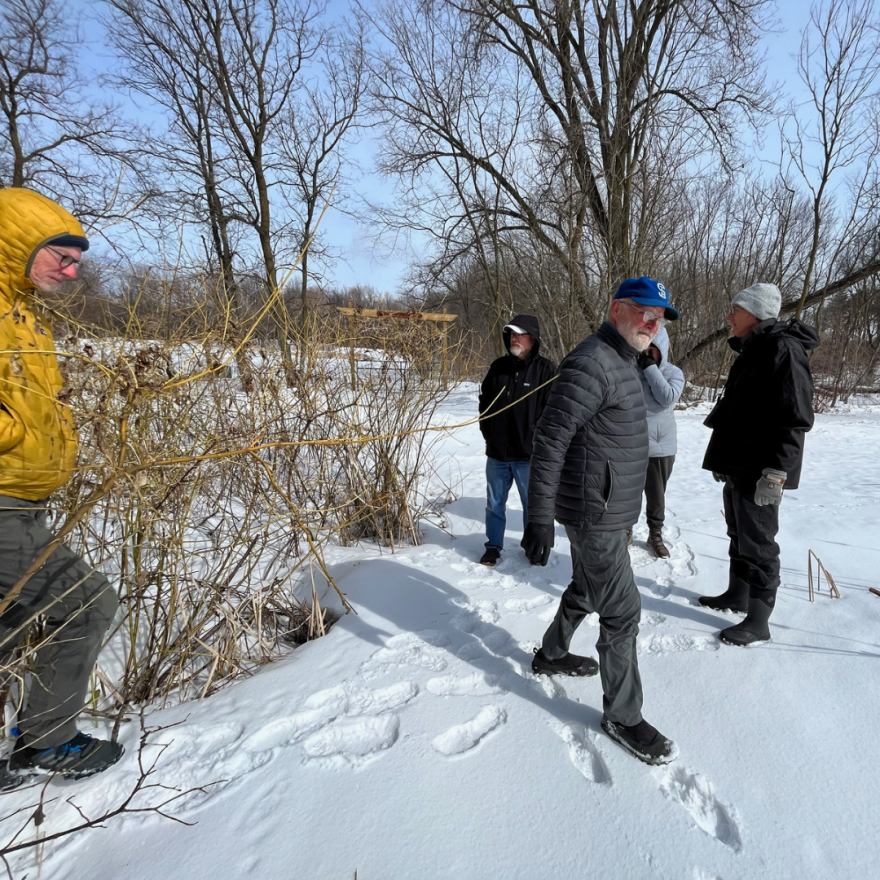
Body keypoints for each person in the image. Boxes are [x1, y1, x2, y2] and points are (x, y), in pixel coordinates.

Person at [522, 277, 679, 765]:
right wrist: (539, 518)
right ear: (616, 310)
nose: (652, 324)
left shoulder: (627, 360)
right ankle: (623, 716)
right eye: (643, 313)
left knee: (589, 588)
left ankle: (551, 653)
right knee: (623, 611)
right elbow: (550, 440)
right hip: (595, 514)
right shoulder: (591, 362)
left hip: (611, 509)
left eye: (659, 318)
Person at [0, 187, 123, 783]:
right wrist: (17, 432)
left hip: (23, 499)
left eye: (77, 259)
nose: (72, 271)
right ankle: (47, 742)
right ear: (18, 245)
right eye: (62, 256)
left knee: (9, 619)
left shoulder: (19, 310)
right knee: (89, 602)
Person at [699, 283, 818, 646]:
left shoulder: (783, 349)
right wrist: (724, 458)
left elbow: (795, 417)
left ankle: (758, 621)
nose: (729, 316)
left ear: (755, 313)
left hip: (762, 471)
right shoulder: (753, 349)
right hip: (740, 465)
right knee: (738, 534)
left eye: (735, 309)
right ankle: (737, 595)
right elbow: (739, 412)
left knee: (760, 543)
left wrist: (777, 473)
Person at [478, 315, 556, 567]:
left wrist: (538, 442)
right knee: (494, 504)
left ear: (532, 339)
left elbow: (553, 412)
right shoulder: (498, 367)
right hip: (498, 454)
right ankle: (493, 546)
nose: (513, 338)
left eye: (519, 334)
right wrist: (490, 433)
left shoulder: (546, 371)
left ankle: (532, 547)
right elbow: (485, 404)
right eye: (510, 333)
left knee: (531, 506)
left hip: (528, 455)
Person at [634, 327, 685, 558]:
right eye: (642, 348)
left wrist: (650, 369)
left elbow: (666, 398)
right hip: (630, 444)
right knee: (628, 494)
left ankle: (655, 534)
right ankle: (625, 530)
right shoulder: (630, 370)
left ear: (661, 349)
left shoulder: (673, 372)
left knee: (656, 496)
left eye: (651, 349)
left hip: (661, 447)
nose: (645, 353)